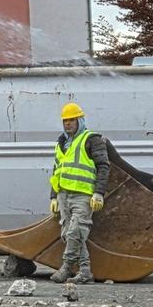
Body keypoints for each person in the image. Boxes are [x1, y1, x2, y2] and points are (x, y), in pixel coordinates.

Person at [49, 101, 109, 284]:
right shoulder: (61, 143)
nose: (68, 124)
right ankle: (85, 271)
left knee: (76, 231)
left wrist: (99, 193)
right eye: (65, 121)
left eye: (71, 120)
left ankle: (66, 267)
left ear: (80, 120)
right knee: (70, 233)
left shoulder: (92, 139)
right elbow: (56, 170)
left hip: (83, 195)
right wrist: (53, 196)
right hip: (64, 194)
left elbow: (103, 166)